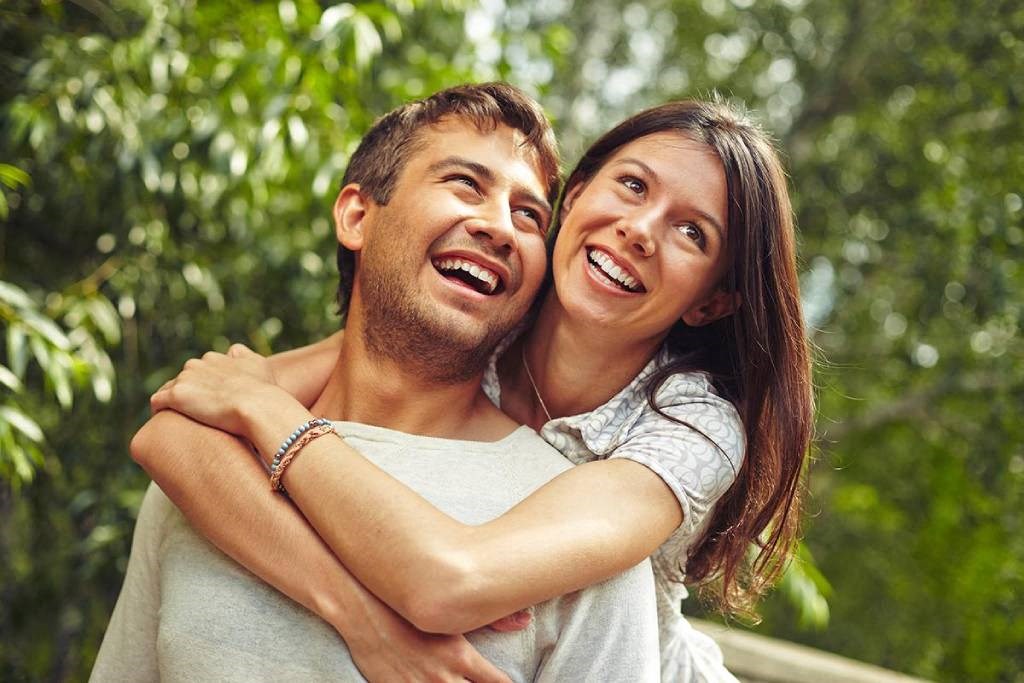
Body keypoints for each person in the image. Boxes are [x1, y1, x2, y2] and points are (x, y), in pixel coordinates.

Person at [132, 92, 813, 681]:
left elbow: (450, 580)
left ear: (711, 302)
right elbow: (176, 428)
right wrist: (362, 619)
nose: (638, 230)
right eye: (632, 186)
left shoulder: (692, 422)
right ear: (573, 199)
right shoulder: (485, 303)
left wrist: (268, 413)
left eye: (691, 232)